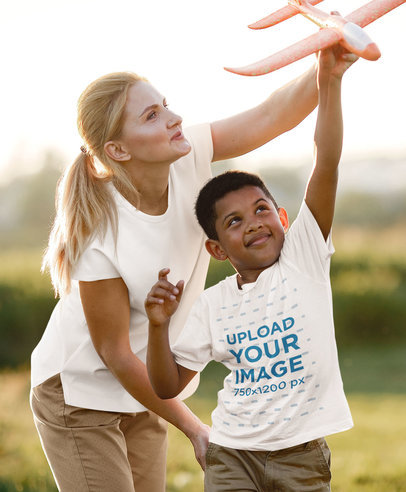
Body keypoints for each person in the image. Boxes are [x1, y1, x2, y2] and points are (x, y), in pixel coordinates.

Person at [30, 60, 320, 491]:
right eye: (152, 116)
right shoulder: (101, 234)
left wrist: (327, 64)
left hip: (144, 388)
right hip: (78, 391)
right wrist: (194, 426)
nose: (174, 118)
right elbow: (114, 351)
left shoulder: (188, 154)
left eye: (164, 105)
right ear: (118, 151)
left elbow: (272, 114)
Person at [145, 45, 357, 491]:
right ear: (217, 249)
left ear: (283, 219)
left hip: (302, 458)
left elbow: (326, 163)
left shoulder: (304, 260)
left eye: (262, 210)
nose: (255, 223)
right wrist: (158, 326)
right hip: (231, 454)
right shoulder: (213, 305)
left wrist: (329, 82)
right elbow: (166, 386)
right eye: (234, 221)